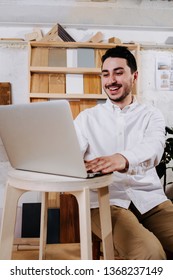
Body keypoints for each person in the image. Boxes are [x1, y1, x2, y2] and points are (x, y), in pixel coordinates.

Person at [74, 46, 173, 260]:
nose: (111, 80)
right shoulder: (86, 118)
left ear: (134, 76)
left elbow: (155, 147)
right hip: (105, 202)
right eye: (106, 74)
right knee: (150, 254)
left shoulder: (152, 115)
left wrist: (123, 159)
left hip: (150, 199)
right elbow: (69, 154)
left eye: (119, 72)